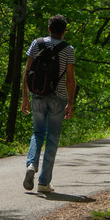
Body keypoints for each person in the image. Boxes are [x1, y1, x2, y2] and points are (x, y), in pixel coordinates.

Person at [21, 14, 76, 194]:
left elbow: (27, 72)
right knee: (52, 138)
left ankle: (31, 164)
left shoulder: (36, 44)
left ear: (49, 28)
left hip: (37, 95)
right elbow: (70, 78)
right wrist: (70, 102)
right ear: (64, 31)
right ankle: (44, 182)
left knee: (37, 133)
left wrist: (25, 97)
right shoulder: (68, 49)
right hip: (58, 99)